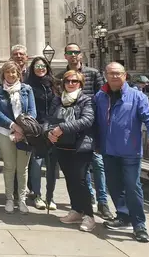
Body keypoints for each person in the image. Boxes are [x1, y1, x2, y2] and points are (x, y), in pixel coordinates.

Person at [94, 62, 149, 243]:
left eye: (118, 73)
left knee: (133, 187)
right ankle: (123, 215)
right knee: (114, 185)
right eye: (111, 73)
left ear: (125, 75)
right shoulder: (100, 96)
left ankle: (139, 224)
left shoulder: (137, 96)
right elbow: (94, 122)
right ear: (105, 75)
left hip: (130, 151)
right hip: (108, 150)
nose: (114, 76)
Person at [57, 43, 112, 220]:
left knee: (98, 165)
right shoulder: (61, 76)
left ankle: (102, 202)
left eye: (76, 52)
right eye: (70, 52)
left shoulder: (93, 73)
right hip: (71, 134)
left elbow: (102, 99)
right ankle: (84, 204)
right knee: (80, 174)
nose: (73, 55)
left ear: (81, 54)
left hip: (90, 128)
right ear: (65, 56)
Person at [45, 70, 96, 232]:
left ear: (80, 84)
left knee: (80, 180)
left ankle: (89, 215)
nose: (71, 84)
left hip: (80, 146)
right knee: (70, 180)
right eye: (67, 81)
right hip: (62, 146)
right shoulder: (58, 99)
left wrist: (62, 128)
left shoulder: (86, 100)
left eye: (75, 81)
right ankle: (76, 210)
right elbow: (49, 119)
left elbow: (87, 120)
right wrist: (49, 132)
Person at [0, 61, 36, 214]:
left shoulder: (27, 89)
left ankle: (22, 200)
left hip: (25, 133)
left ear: (18, 73)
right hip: (5, 132)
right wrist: (14, 126)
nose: (10, 75)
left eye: (13, 72)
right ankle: (9, 199)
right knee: (9, 167)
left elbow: (32, 111)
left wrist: (23, 129)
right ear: (3, 74)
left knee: (22, 168)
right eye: (7, 72)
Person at [25, 57, 57, 211]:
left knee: (52, 166)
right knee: (37, 164)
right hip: (36, 129)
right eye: (37, 66)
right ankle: (37, 194)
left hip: (53, 128)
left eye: (43, 66)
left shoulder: (54, 84)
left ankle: (50, 196)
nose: (40, 68)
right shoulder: (28, 85)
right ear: (32, 68)